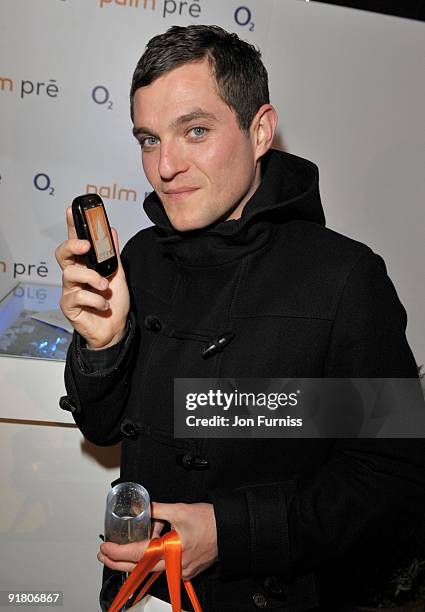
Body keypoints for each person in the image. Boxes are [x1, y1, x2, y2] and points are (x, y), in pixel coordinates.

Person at [55, 25, 425, 612]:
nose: (165, 166)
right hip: (137, 593)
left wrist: (232, 534)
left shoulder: (345, 278)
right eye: (148, 140)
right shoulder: (141, 261)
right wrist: (102, 345)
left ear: (260, 131)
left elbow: (390, 479)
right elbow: (101, 429)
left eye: (195, 131)